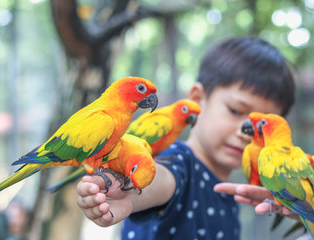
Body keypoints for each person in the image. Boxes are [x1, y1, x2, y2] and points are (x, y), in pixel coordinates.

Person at [75, 36, 297, 239]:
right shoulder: (179, 161)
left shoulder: (231, 192)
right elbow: (160, 177)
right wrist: (129, 190)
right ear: (197, 99)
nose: (244, 131)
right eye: (235, 110)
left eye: (263, 126)